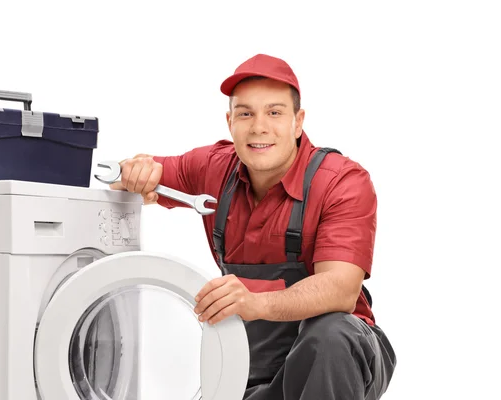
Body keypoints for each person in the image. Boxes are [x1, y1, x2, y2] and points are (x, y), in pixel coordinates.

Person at [109, 53, 397, 399]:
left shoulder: (341, 181)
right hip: (252, 365)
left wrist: (255, 302)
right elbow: (129, 177)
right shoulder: (213, 168)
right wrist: (133, 172)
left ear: (298, 121)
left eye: (275, 112)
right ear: (230, 121)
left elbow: (341, 290)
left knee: (330, 334)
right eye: (246, 113)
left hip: (339, 360)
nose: (259, 127)